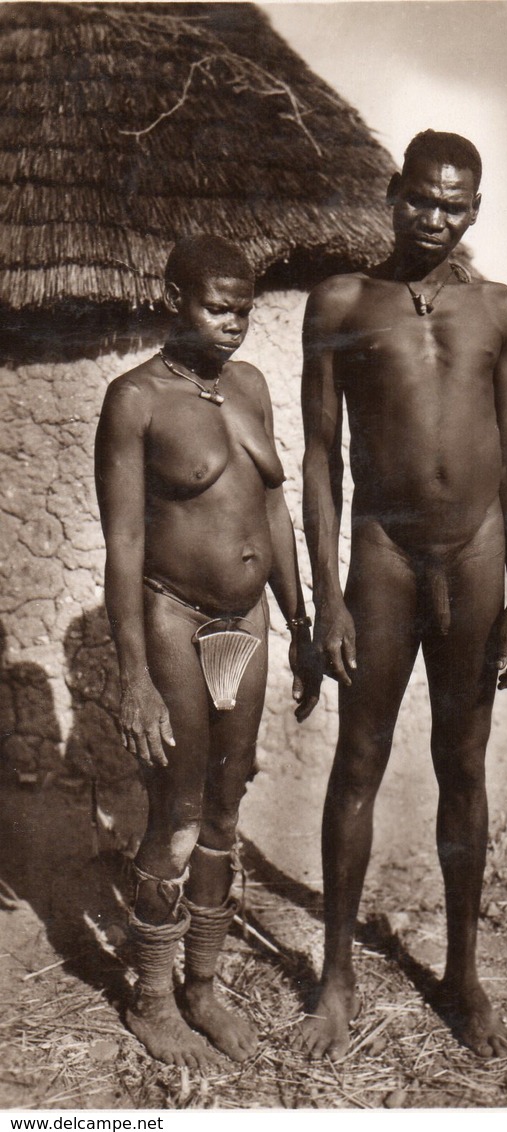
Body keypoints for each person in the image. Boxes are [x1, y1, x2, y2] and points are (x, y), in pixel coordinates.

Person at [300, 130, 507, 1060]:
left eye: (453, 205)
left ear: (473, 211)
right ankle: (333, 978)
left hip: (474, 555)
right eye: (420, 198)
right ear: (391, 193)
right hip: (383, 555)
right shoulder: (342, 303)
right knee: (357, 759)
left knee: (464, 763)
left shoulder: (501, 313)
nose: (433, 218)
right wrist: (327, 593)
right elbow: (319, 457)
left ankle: (462, 975)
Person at [95, 234, 319, 1069]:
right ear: (172, 302)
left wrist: (300, 626)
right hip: (175, 621)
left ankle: (202, 985)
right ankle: (151, 997)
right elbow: (123, 546)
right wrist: (133, 678)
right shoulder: (136, 401)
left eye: (244, 310)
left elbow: (272, 518)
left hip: (248, 624)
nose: (232, 325)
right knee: (179, 808)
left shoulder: (251, 387)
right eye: (216, 308)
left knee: (228, 801)